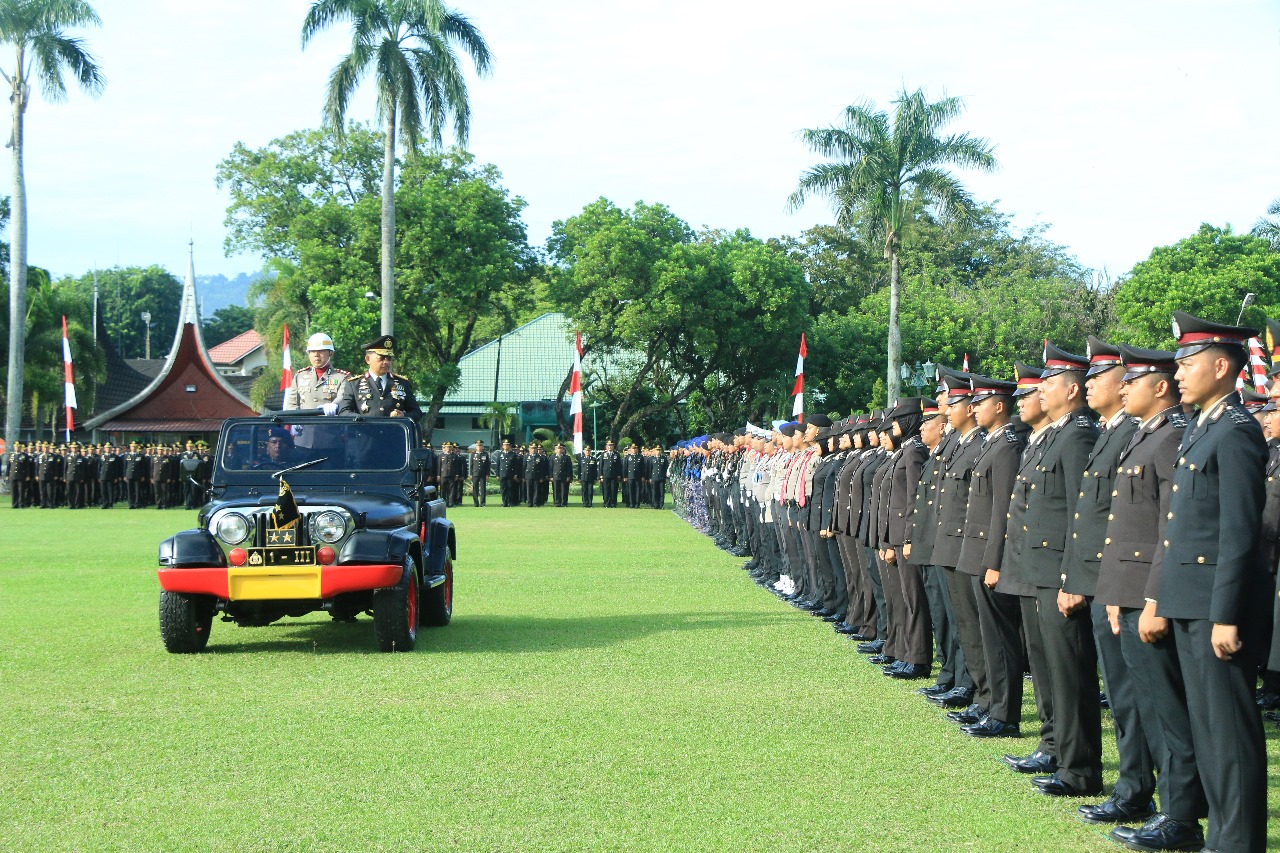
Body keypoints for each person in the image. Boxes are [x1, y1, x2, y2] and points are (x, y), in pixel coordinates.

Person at [335, 335, 422, 421]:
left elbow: (417, 413)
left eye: (389, 358)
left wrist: (403, 416)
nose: (386, 362)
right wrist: (360, 419)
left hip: (393, 432)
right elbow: (344, 411)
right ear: (368, 359)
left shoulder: (402, 383)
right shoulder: (353, 384)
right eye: (381, 358)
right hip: (365, 433)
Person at [284, 332, 350, 415]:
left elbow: (343, 398)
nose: (316, 355)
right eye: (312, 351)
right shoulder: (299, 376)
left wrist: (334, 405)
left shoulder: (342, 377)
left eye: (321, 351)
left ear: (331, 353)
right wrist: (297, 421)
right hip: (305, 426)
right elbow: (292, 404)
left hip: (331, 425)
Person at [599, 440, 621, 507]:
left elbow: (619, 465)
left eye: (611, 445)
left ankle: (613, 503)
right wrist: (601, 475)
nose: (610, 447)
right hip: (606, 475)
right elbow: (601, 465)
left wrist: (619, 475)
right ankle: (606, 503)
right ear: (606, 446)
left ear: (613, 446)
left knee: (613, 490)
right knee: (606, 490)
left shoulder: (616, 454)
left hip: (614, 475)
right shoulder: (603, 454)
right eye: (608, 445)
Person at [468, 440, 491, 506]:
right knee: (475, 488)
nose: (479, 447)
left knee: (483, 489)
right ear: (476, 446)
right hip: (475, 473)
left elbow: (487, 465)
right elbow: (471, 465)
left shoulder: (485, 454)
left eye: (480, 445)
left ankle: (483, 503)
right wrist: (470, 474)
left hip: (483, 474)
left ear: (482, 447)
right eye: (478, 445)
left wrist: (487, 474)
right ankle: (476, 503)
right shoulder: (473, 454)